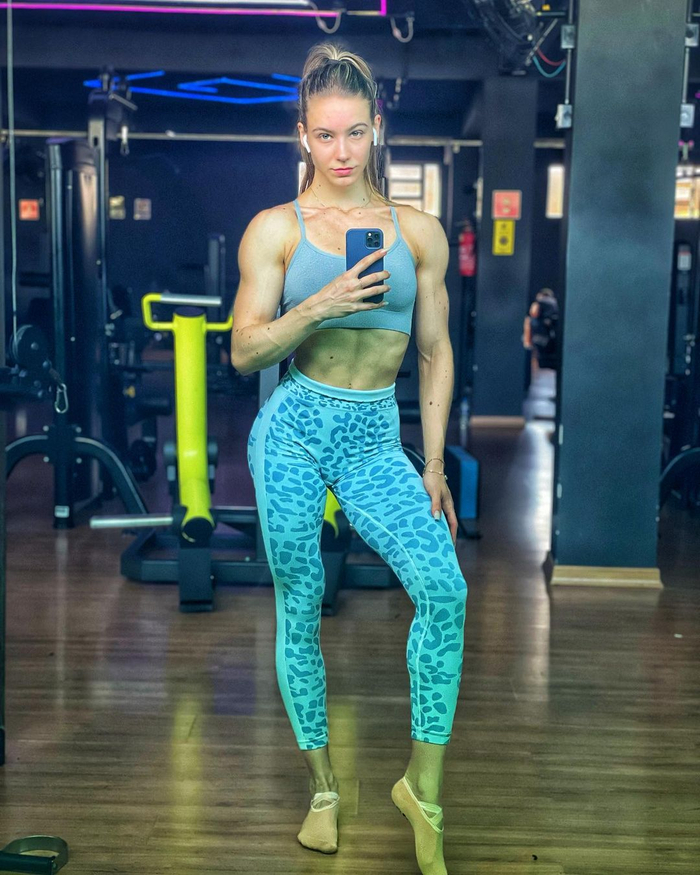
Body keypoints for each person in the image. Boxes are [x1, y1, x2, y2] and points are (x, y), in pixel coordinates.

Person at [231, 41, 468, 875]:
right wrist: (320, 304)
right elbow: (245, 352)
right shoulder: (276, 230)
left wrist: (432, 465)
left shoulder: (418, 233)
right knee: (301, 605)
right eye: (325, 135)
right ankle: (323, 789)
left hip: (374, 435)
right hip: (294, 431)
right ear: (303, 134)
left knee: (445, 587)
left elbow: (435, 351)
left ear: (377, 129)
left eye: (355, 133)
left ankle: (422, 791)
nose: (341, 152)